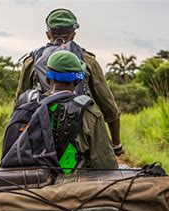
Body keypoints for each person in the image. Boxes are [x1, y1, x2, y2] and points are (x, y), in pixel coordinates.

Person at [16, 8, 124, 156]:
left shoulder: (31, 62)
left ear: (48, 34)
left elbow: (20, 104)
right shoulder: (87, 61)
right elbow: (109, 107)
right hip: (79, 134)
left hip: (39, 135)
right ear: (73, 34)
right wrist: (116, 145)